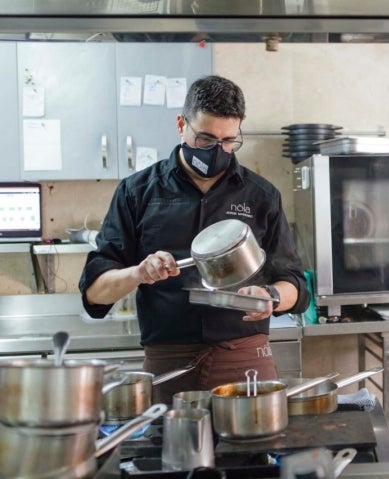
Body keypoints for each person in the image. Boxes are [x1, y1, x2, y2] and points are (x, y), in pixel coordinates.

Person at [79, 75, 309, 403]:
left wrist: (271, 296)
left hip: (245, 360)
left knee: (250, 454)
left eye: (229, 140)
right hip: (168, 364)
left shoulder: (261, 196)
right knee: (169, 452)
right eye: (205, 139)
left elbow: (296, 285)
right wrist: (138, 273)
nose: (218, 149)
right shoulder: (137, 192)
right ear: (180, 124)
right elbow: (95, 293)